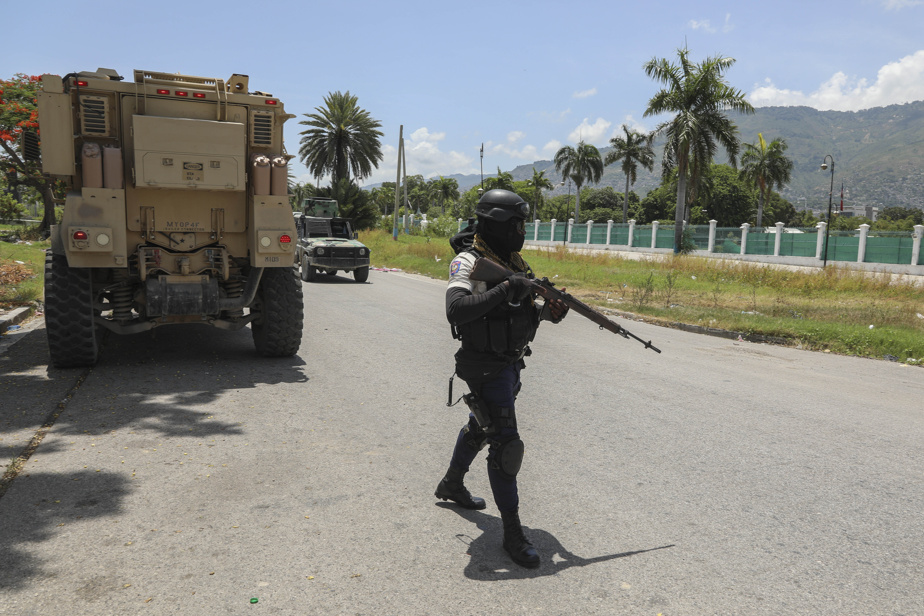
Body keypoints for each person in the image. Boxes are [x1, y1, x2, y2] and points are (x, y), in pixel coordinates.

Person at [434, 188, 568, 569]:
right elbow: (456, 311)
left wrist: (547, 312)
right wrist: (508, 286)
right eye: (516, 224)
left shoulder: (514, 261)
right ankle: (512, 532)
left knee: (482, 427)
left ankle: (452, 484)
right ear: (495, 223)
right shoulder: (468, 262)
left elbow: (518, 313)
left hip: (509, 365)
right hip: (484, 366)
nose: (522, 231)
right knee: (506, 446)